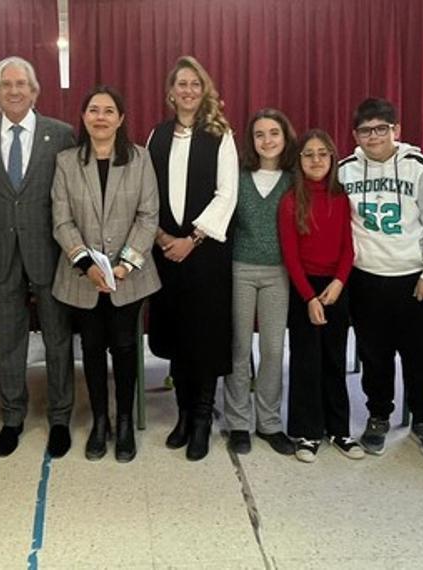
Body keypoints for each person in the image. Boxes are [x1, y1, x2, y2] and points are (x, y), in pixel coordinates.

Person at [0, 56, 78, 458]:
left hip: (49, 250)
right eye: (5, 85)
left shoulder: (61, 134)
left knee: (57, 337)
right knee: (9, 339)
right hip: (0, 252)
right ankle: (12, 416)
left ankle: (60, 417)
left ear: (34, 91)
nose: (13, 91)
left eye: (21, 84)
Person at [337, 97, 423, 461]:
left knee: (421, 354)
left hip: (415, 279)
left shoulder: (420, 167)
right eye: (365, 131)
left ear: (396, 130)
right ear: (355, 135)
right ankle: (378, 415)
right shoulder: (345, 171)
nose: (373, 136)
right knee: (375, 354)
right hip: (367, 278)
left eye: (381, 129)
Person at [51, 85, 161, 463]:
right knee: (92, 348)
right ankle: (101, 421)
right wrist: (87, 265)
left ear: (120, 119)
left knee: (125, 347)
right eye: (94, 110)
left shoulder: (140, 159)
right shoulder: (66, 162)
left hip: (128, 276)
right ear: (83, 117)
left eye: (108, 111)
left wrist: (124, 265)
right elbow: (61, 220)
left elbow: (148, 216)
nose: (101, 117)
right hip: (83, 277)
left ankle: (125, 420)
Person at [147, 56, 239, 461]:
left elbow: (227, 194)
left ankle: (202, 416)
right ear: (171, 92)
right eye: (181, 84)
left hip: (206, 252)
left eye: (194, 84)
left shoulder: (220, 135)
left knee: (204, 334)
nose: (187, 90)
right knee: (178, 332)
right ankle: (183, 414)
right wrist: (163, 237)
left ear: (204, 91)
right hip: (166, 249)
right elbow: (147, 190)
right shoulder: (158, 135)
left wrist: (192, 238)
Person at [278, 129, 359, 463]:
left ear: (332, 158)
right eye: (309, 154)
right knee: (306, 360)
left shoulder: (341, 198)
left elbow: (348, 247)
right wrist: (309, 298)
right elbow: (290, 256)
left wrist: (339, 282)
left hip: (336, 286)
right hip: (304, 289)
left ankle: (339, 429)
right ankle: (307, 432)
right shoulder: (290, 200)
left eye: (322, 153)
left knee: (334, 358)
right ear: (299, 160)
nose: (316, 160)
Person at [223, 108, 298, 456]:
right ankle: (238, 422)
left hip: (278, 273)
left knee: (272, 349)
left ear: (285, 137)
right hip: (240, 269)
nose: (267, 140)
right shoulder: (237, 176)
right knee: (239, 348)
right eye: (259, 134)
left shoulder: (295, 178)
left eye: (274, 133)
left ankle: (269, 422)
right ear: (251, 140)